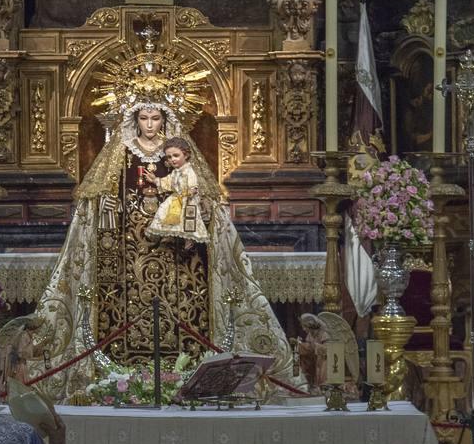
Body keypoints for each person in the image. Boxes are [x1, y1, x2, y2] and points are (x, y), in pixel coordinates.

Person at [26, 36, 296, 400]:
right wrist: (105, 207)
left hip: (178, 256)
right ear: (133, 118)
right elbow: (97, 198)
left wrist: (198, 208)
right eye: (143, 117)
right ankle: (122, 375)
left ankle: (186, 369)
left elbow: (202, 193)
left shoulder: (179, 154)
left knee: (179, 308)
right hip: (125, 252)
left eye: (155, 117)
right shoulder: (119, 153)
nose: (150, 124)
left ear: (166, 118)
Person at [145, 136, 208, 244]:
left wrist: (191, 191)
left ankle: (189, 238)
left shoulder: (189, 170)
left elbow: (193, 185)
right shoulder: (175, 172)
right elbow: (169, 182)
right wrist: (155, 180)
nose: (172, 159)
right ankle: (169, 233)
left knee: (187, 217)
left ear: (186, 155)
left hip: (188, 198)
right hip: (176, 197)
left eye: (176, 155)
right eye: (169, 157)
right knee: (164, 210)